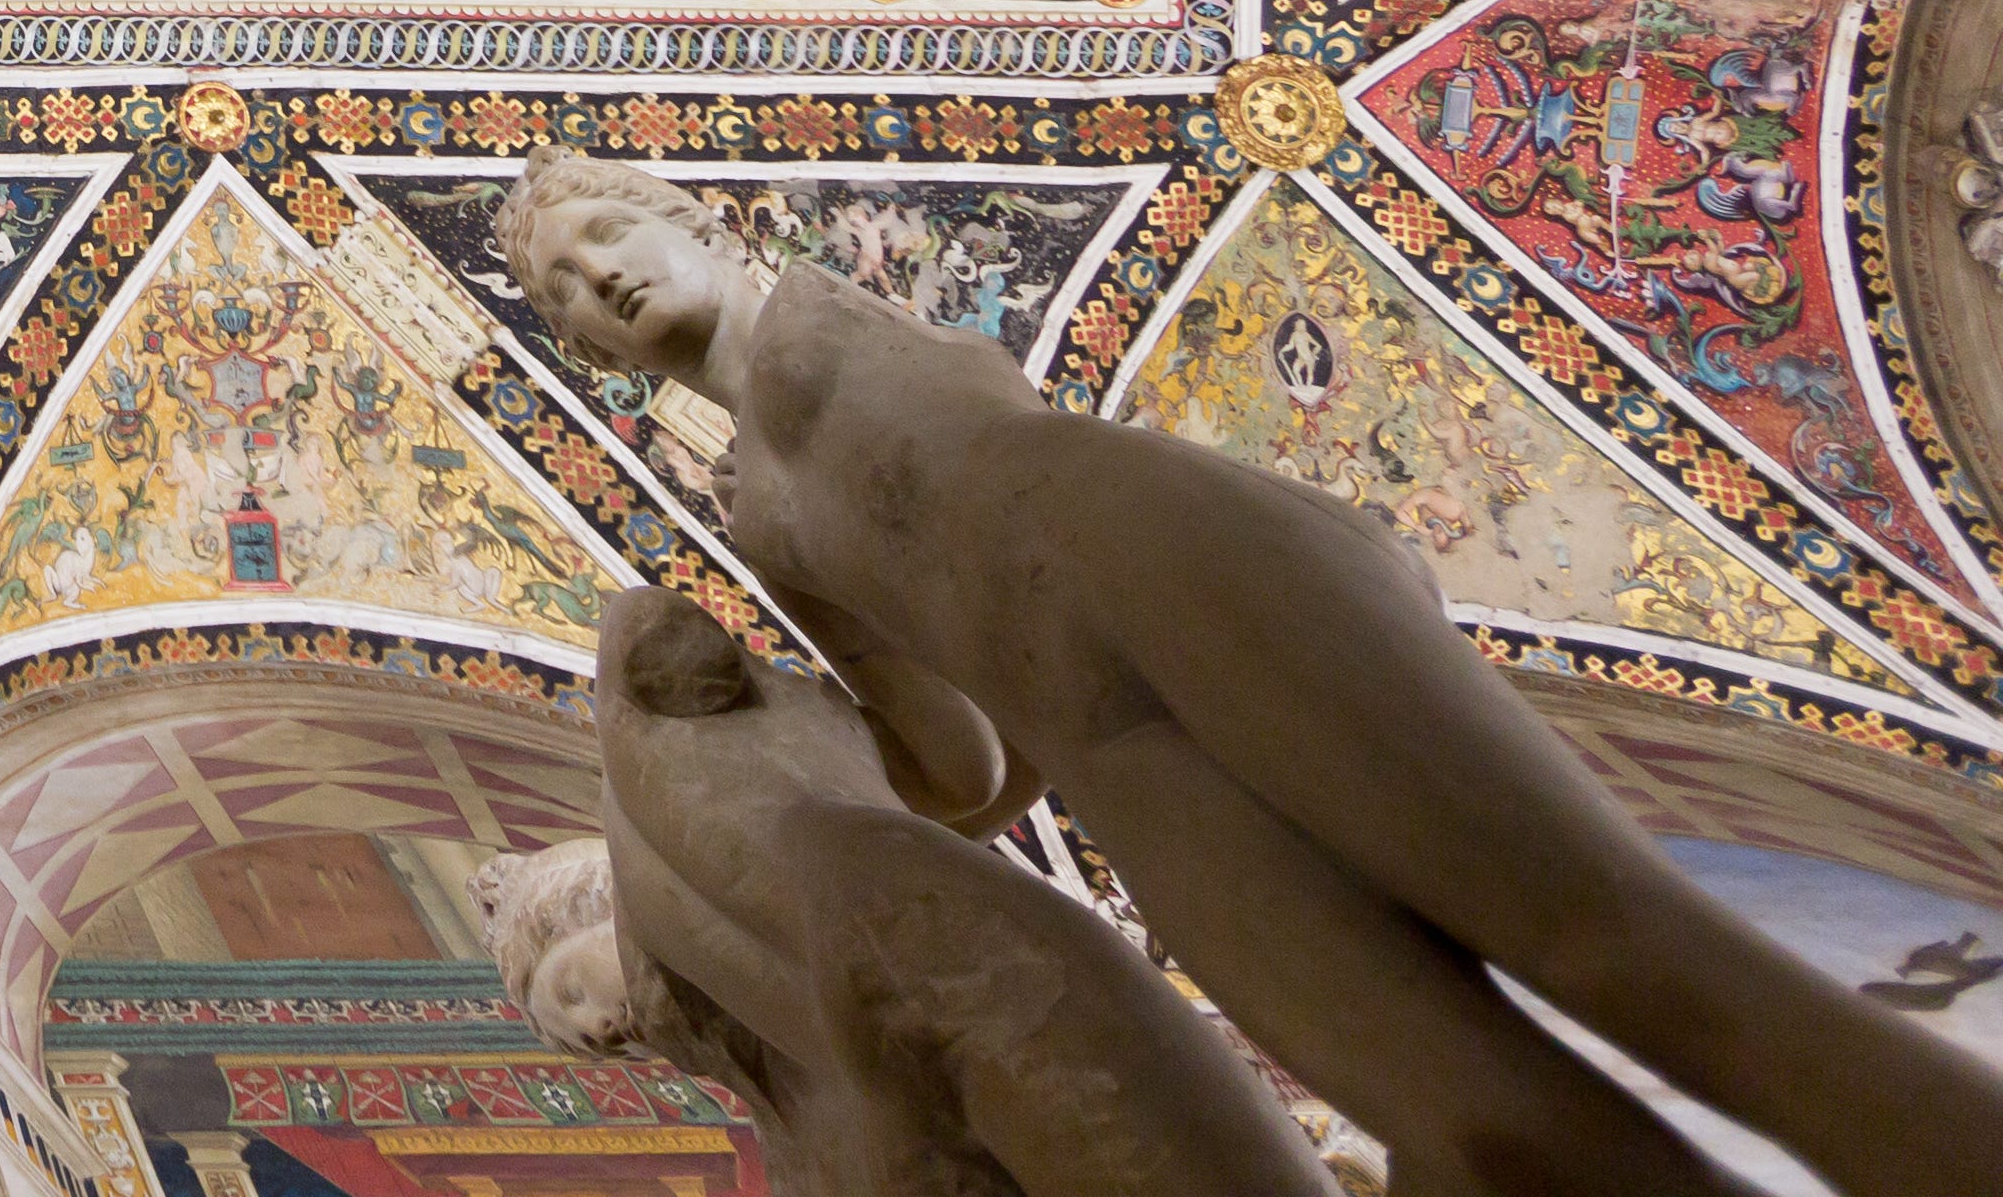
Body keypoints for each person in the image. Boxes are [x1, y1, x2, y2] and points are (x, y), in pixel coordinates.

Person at [495, 148, 2003, 1197]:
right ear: (582, 354)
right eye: (560, 292)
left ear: (703, 222)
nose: (596, 279)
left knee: (1616, 948)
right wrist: (778, 785)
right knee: (1478, 1126)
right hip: (1097, 740)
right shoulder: (756, 511)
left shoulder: (826, 305)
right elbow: (962, 765)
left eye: (608, 236)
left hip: (1146, 558)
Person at [485, 588, 1338, 1195]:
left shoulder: (663, 835)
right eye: (592, 1046)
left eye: (572, 990)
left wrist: (814, 581)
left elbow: (977, 773)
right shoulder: (772, 1093)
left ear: (592, 899)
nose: (600, 1028)